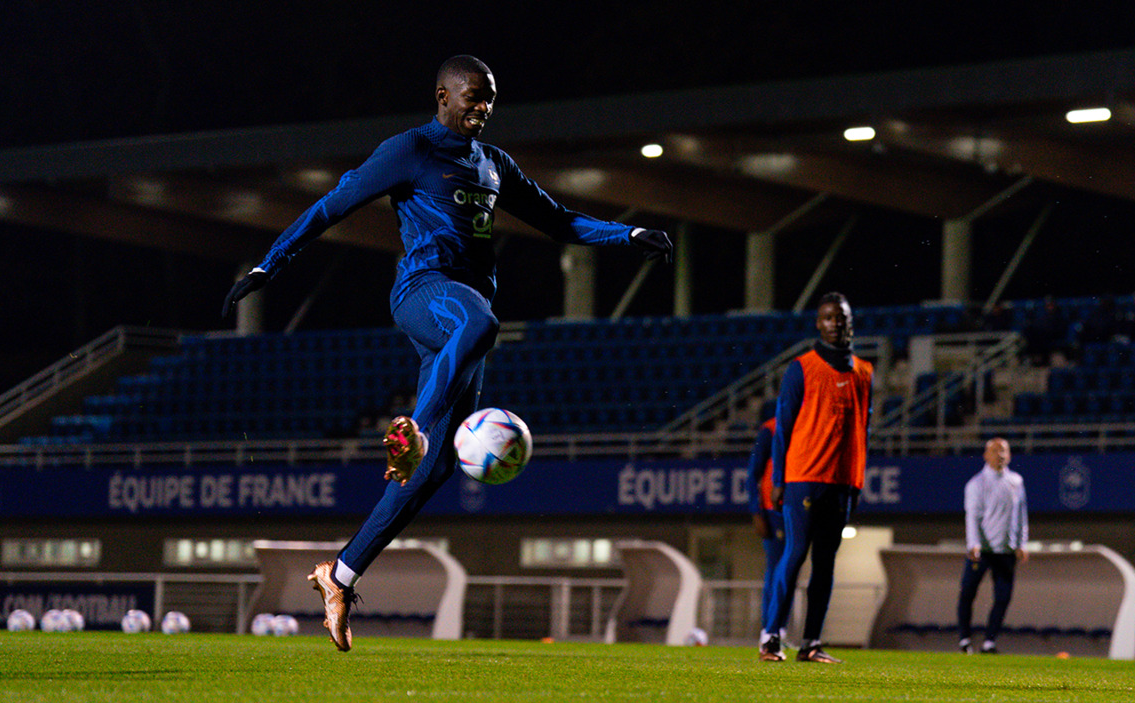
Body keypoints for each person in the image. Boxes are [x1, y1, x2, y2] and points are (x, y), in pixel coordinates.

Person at [221, 55, 672, 652]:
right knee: (481, 325)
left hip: (463, 317)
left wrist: (628, 234)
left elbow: (558, 221)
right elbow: (332, 205)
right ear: (442, 96)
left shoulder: (494, 163)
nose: (483, 108)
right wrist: (268, 264)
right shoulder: (409, 150)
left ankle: (341, 575)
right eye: (473, 96)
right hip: (423, 292)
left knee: (434, 473)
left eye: (490, 99)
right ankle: (416, 428)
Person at [759, 292, 872, 663]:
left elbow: (863, 429)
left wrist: (857, 480)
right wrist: (779, 479)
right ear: (818, 324)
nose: (835, 323)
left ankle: (810, 643)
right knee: (794, 556)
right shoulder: (801, 368)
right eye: (828, 317)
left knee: (826, 563)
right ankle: (771, 638)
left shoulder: (865, 372)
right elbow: (783, 427)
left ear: (850, 322)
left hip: (842, 483)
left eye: (841, 317)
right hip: (804, 477)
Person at [957, 437, 1029, 654]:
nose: (1001, 455)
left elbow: (1021, 515)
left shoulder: (1016, 481)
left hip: (1006, 551)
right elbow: (972, 516)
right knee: (968, 593)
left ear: (1010, 455)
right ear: (985, 455)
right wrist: (974, 543)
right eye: (996, 451)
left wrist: (1022, 543)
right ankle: (964, 640)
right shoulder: (976, 484)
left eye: (1004, 450)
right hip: (983, 550)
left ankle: (989, 642)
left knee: (1003, 597)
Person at [745, 400, 788, 650]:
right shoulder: (770, 429)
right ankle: (769, 630)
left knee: (789, 570)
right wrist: (756, 511)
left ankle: (780, 629)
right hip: (773, 509)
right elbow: (753, 473)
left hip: (796, 508)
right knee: (777, 569)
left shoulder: (805, 426)